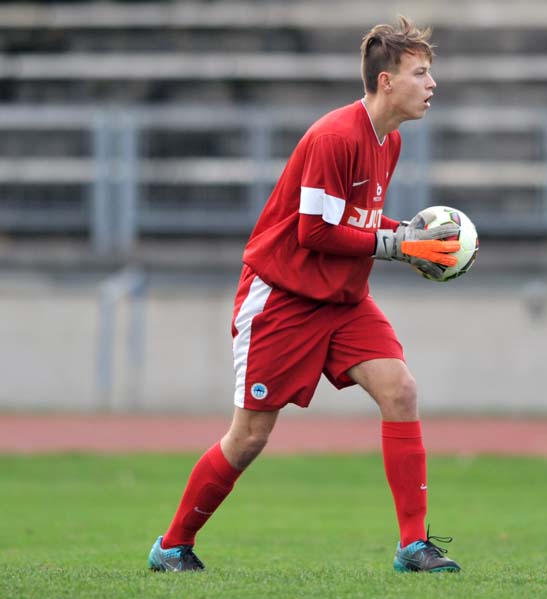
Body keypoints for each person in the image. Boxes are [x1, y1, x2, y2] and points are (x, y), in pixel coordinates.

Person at [148, 16, 462, 574]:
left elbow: (355, 220)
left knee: (400, 391)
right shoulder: (334, 136)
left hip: (342, 298)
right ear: (386, 81)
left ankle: (413, 546)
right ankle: (172, 546)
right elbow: (314, 231)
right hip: (283, 298)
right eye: (420, 73)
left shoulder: (389, 141)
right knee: (249, 436)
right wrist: (396, 245)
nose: (431, 84)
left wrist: (413, 235)